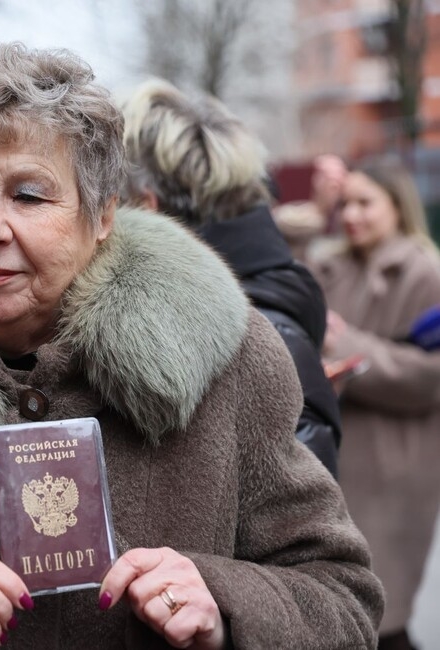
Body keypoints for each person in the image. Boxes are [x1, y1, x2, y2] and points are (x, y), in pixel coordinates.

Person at [0, 43, 383, 649]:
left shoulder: (232, 361)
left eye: (29, 195)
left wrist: (223, 602)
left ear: (102, 216)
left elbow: (343, 598)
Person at [120, 78, 342, 477]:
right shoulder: (246, 311)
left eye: (112, 200)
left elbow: (305, 532)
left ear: (145, 205)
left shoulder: (262, 337)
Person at [310, 156, 440, 650]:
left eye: (366, 203)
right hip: (341, 458)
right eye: (345, 204)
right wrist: (317, 206)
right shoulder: (335, 264)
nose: (352, 215)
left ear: (398, 206)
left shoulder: (423, 272)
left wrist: (347, 347)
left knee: (383, 612)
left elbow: (430, 379)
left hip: (395, 466)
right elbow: (284, 269)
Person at [273, 153, 348, 261]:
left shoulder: (347, 215)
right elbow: (278, 219)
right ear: (316, 180)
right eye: (325, 177)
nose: (333, 186)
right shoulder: (296, 214)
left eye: (338, 179)